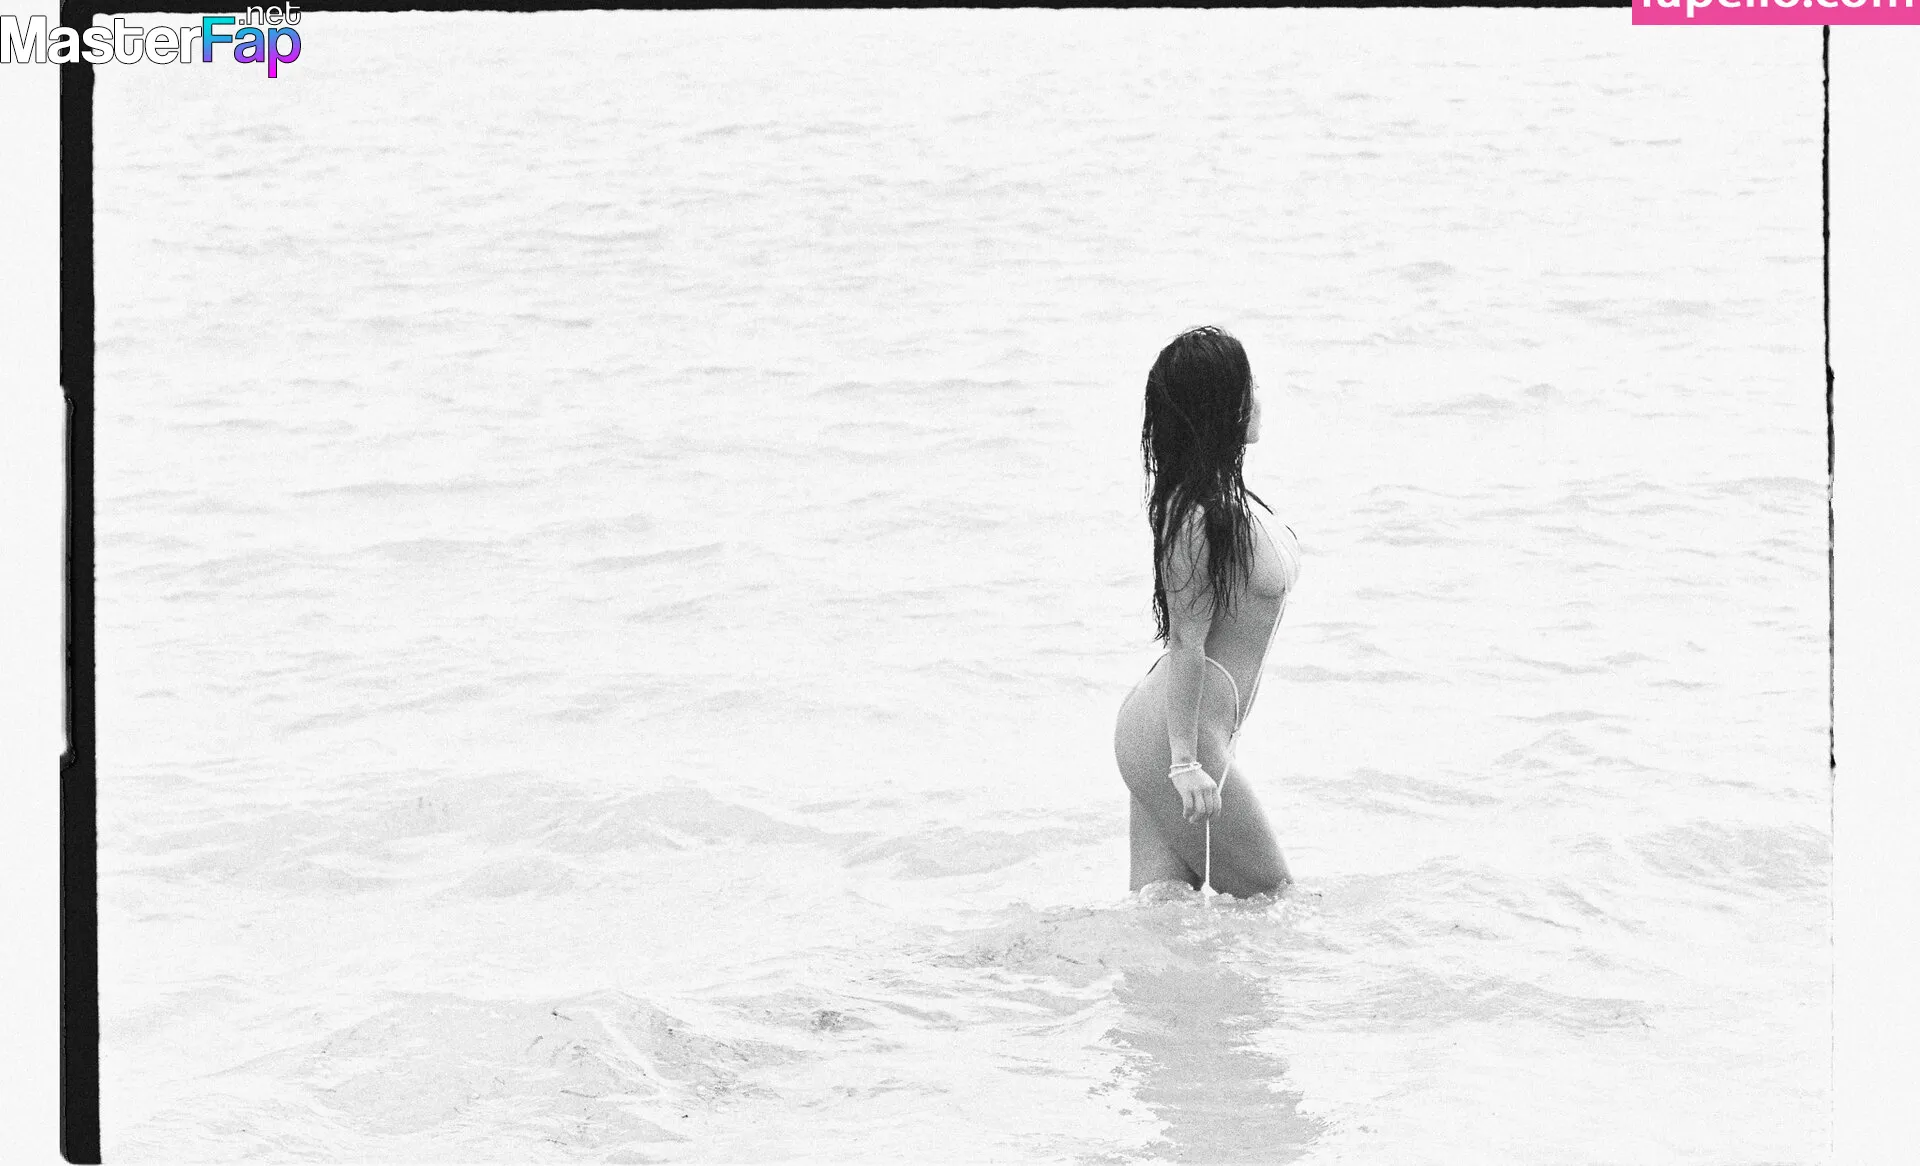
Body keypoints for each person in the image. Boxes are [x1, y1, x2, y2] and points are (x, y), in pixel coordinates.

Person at [1114, 326, 1300, 897]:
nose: (1258, 400)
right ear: (1220, 407)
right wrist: (1183, 761)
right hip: (1178, 739)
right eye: (1248, 388)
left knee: (1162, 912)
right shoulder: (1195, 517)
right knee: (1275, 899)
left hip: (1186, 730)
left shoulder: (1228, 502)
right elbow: (1186, 642)